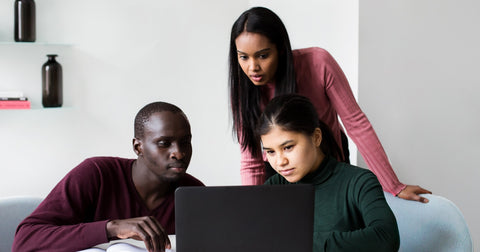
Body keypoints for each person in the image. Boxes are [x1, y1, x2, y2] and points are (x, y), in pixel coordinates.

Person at [229, 6, 431, 202]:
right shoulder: (243, 89)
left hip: (329, 158)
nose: (252, 67)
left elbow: (356, 123)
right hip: (280, 169)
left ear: (281, 49)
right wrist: (251, 208)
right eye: (243, 57)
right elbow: (252, 161)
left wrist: (394, 186)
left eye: (263, 55)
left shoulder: (318, 63)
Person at [13, 101, 205, 252]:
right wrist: (112, 228)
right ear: (138, 147)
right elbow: (25, 241)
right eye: (164, 143)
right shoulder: (96, 174)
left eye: (185, 142)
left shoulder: (194, 194)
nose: (178, 153)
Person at [258, 94, 400, 251]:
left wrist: (305, 242)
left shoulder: (359, 182)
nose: (280, 162)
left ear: (316, 138)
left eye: (288, 147)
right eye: (271, 152)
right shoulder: (274, 187)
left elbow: (387, 237)